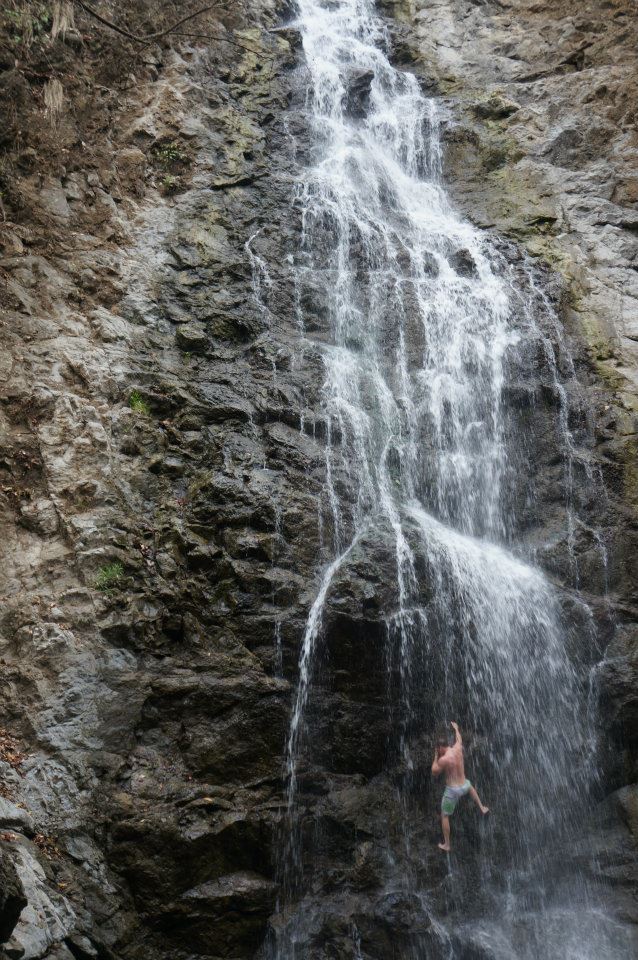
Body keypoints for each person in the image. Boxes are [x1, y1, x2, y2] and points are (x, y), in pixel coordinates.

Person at [431, 721, 489, 852]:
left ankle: (447, 844)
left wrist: (435, 757)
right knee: (469, 785)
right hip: (464, 786)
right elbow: (459, 738)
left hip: (453, 791)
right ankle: (482, 807)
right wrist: (456, 729)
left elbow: (434, 771)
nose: (438, 751)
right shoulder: (457, 748)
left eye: (438, 749)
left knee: (444, 815)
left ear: (440, 748)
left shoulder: (443, 759)